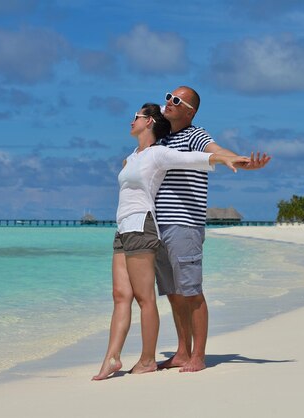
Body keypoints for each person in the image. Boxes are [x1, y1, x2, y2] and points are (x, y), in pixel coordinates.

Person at [92, 103, 250, 380]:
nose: (131, 120)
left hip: (143, 225)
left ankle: (147, 359)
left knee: (145, 298)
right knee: (120, 296)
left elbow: (197, 159)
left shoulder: (159, 153)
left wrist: (229, 159)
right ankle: (111, 358)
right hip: (123, 228)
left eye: (137, 117)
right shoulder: (131, 156)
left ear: (149, 121)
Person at [155, 86, 271, 373]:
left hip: (185, 224)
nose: (169, 102)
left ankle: (199, 356)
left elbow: (216, 151)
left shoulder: (196, 135)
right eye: (168, 96)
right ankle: (182, 351)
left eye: (177, 100)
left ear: (190, 111)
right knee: (173, 292)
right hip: (159, 224)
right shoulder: (162, 138)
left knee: (191, 291)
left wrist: (239, 160)